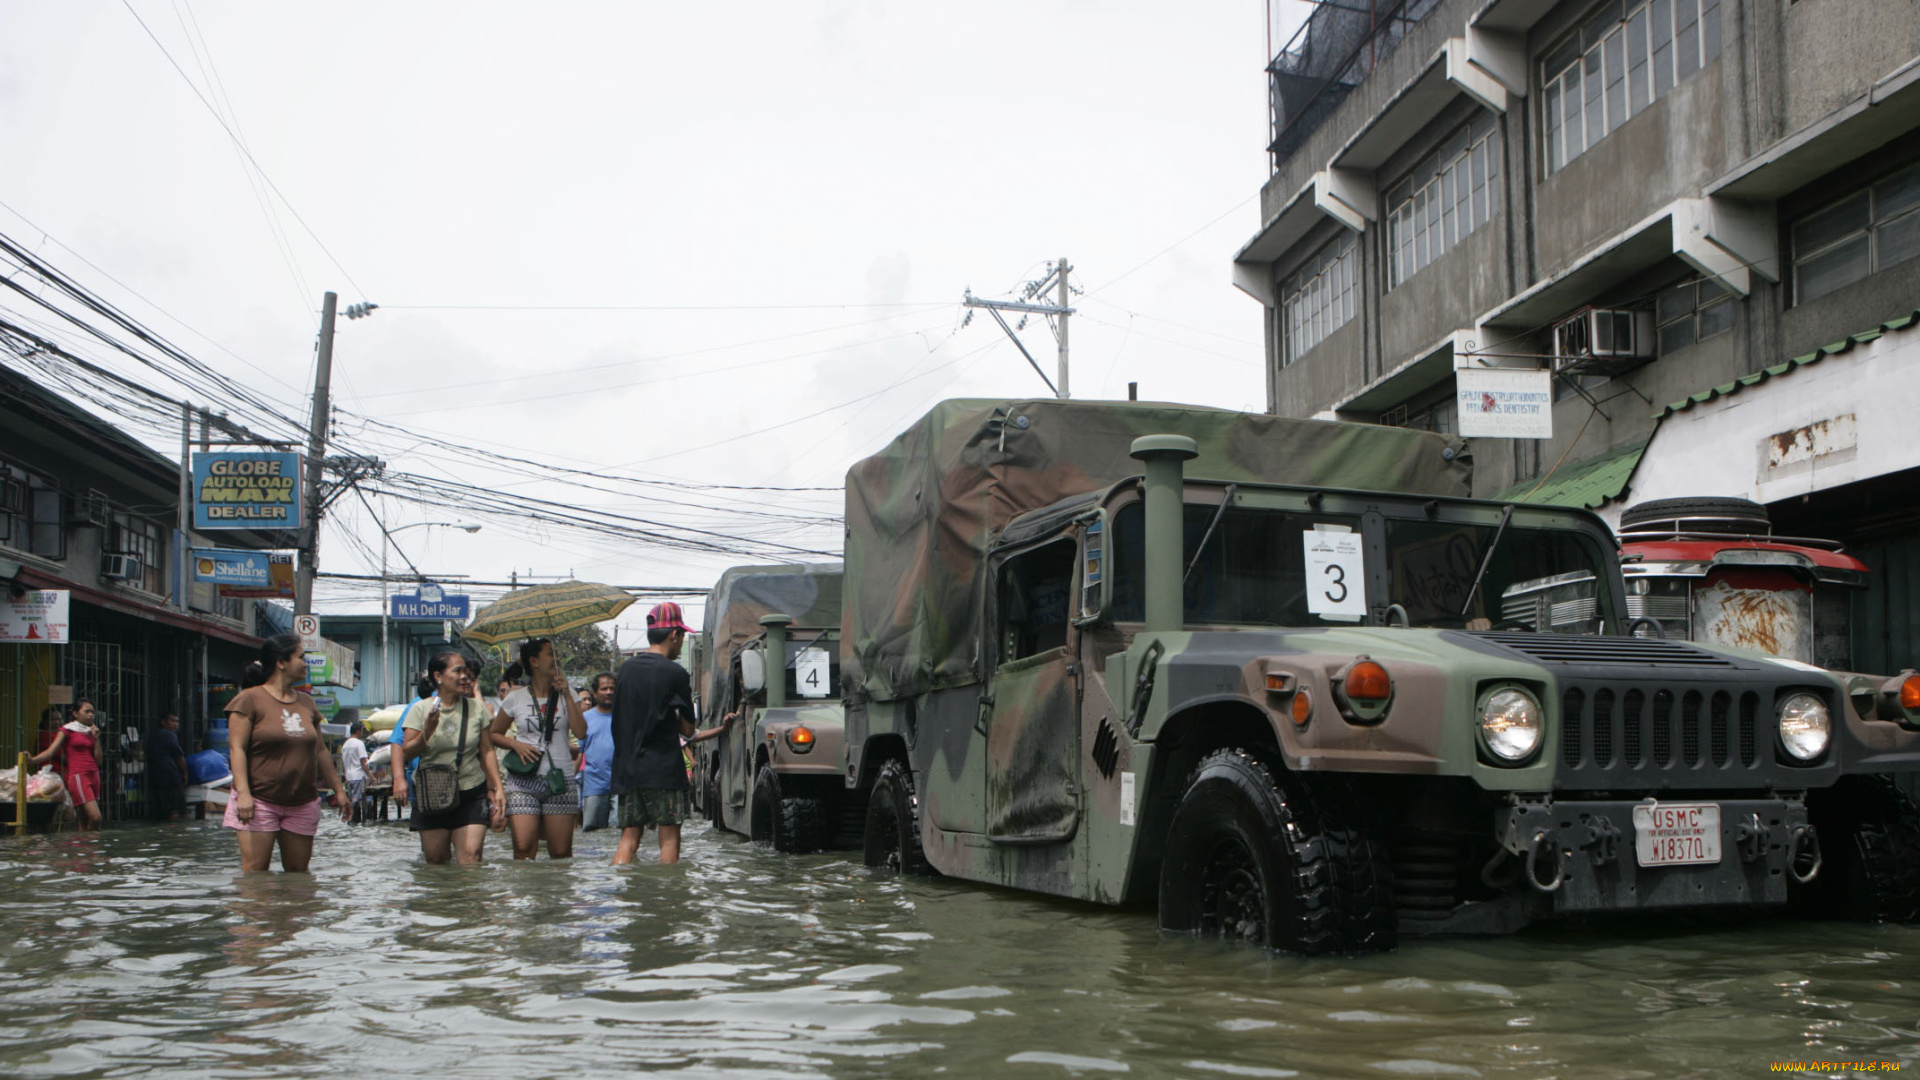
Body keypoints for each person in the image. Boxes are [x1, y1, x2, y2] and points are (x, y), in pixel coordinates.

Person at [610, 602, 733, 865]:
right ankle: (668, 899)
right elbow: (688, 730)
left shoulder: (626, 670)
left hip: (627, 769)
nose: (681, 643)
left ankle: (620, 893)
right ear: (674, 635)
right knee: (669, 839)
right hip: (662, 769)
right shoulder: (675, 673)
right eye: (682, 636)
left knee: (629, 838)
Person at [222, 635, 352, 872]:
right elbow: (237, 749)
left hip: (301, 801)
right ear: (281, 662)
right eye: (301, 658)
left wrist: (339, 791)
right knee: (255, 876)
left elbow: (320, 750)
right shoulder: (248, 700)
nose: (306, 663)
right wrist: (243, 793)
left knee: (298, 877)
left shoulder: (307, 703)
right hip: (259, 800)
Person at [401, 650, 503, 864]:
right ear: (438, 677)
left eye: (466, 671)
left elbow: (487, 750)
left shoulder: (477, 709)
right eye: (457, 671)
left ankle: (470, 898)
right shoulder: (420, 709)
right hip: (432, 793)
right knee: (437, 861)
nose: (465, 676)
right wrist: (427, 731)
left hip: (471, 791)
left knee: (471, 858)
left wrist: (497, 788)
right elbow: (407, 752)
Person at [489, 639, 587, 859]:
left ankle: (556, 893)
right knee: (523, 849)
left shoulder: (568, 693)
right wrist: (516, 744)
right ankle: (525, 893)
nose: (557, 658)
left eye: (558, 654)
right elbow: (494, 734)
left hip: (560, 779)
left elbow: (581, 733)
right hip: (523, 779)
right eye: (550, 654)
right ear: (534, 661)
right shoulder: (516, 698)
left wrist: (567, 696)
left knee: (561, 853)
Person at [30, 699, 104, 830]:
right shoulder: (67, 730)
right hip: (79, 776)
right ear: (75, 713)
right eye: (87, 711)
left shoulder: (91, 732)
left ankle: (84, 847)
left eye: (92, 712)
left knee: (84, 818)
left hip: (94, 774)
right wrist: (32, 760)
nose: (91, 714)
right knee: (96, 817)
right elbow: (51, 751)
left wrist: (96, 738)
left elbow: (98, 761)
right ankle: (92, 844)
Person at [577, 672, 616, 831]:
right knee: (592, 834)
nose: (608, 692)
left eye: (612, 688)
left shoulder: (625, 717)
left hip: (621, 785)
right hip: (594, 786)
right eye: (604, 688)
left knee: (620, 831)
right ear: (595, 693)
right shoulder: (585, 719)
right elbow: (578, 753)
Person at [147, 711, 188, 822]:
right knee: (175, 808)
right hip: (170, 774)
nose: (175, 724)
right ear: (163, 722)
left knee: (165, 806)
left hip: (155, 774)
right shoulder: (169, 735)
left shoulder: (154, 735)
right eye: (172, 721)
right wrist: (185, 772)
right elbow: (179, 756)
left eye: (177, 721)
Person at [340, 722, 371, 825]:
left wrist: (346, 777)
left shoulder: (345, 745)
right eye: (362, 730)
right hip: (359, 776)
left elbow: (343, 763)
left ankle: (352, 821)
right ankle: (355, 819)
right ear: (358, 731)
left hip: (349, 776)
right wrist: (371, 776)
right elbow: (363, 762)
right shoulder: (359, 743)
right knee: (357, 799)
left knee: (352, 798)